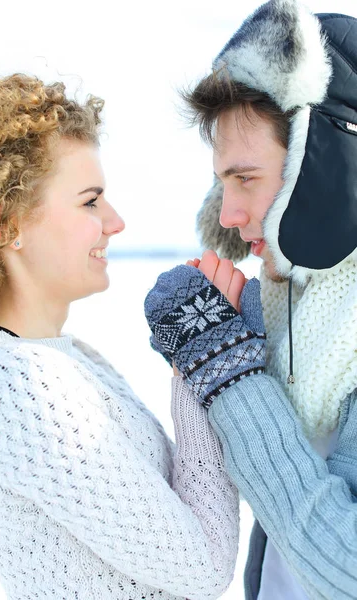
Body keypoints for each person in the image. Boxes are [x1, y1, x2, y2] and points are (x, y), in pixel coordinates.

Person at [0, 73, 240, 600]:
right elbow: (202, 566)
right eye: (90, 201)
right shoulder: (18, 386)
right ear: (6, 226)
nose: (116, 222)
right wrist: (202, 364)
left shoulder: (62, 360)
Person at [144, 1, 357, 599]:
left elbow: (348, 565)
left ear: (323, 165)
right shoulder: (290, 297)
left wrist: (227, 374)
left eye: (246, 178)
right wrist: (205, 347)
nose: (230, 216)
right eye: (222, 183)